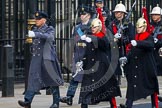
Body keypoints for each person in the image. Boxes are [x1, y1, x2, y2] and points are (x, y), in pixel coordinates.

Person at [18, 11, 64, 108]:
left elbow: (50, 38)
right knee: (33, 79)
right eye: (36, 19)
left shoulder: (49, 29)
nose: (36, 21)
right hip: (37, 59)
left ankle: (56, 102)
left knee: (52, 81)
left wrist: (36, 34)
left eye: (38, 19)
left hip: (47, 59)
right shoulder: (34, 29)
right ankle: (27, 101)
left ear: (44, 20)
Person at [78, 18, 121, 108]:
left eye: (95, 27)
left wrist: (93, 39)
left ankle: (114, 106)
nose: (93, 28)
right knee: (85, 90)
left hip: (101, 66)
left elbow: (104, 44)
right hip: (90, 66)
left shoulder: (103, 37)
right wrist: (82, 61)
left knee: (108, 88)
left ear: (99, 27)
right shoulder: (89, 36)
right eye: (92, 27)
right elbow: (87, 51)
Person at [119, 17, 159, 108]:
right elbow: (132, 52)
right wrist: (126, 57)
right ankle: (128, 105)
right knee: (132, 86)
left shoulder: (149, 37)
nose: (138, 29)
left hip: (146, 68)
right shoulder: (136, 37)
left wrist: (138, 43)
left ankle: (154, 105)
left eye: (140, 27)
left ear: (144, 27)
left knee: (152, 88)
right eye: (137, 27)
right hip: (136, 67)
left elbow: (150, 45)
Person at [59, 6, 93, 106]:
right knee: (75, 78)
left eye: (84, 14)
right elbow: (73, 41)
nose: (82, 16)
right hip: (78, 54)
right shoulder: (77, 27)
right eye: (81, 14)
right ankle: (69, 97)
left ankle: (89, 98)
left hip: (88, 55)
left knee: (88, 79)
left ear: (89, 15)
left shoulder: (92, 26)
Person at [108, 1, 135, 85]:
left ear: (123, 13)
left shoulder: (129, 24)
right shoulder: (111, 25)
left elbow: (132, 37)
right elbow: (108, 37)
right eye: (116, 12)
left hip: (126, 50)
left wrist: (123, 37)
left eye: (119, 12)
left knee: (129, 73)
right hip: (115, 50)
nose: (117, 14)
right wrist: (114, 38)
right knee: (114, 72)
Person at [150, 4, 162, 102]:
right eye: (153, 15)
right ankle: (155, 94)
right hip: (153, 53)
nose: (154, 16)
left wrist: (158, 42)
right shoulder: (151, 25)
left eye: (156, 14)